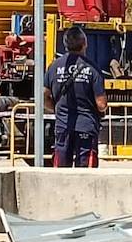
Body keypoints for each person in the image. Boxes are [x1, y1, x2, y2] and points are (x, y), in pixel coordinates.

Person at [43, 27, 107, 168]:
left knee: (61, 172)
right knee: (85, 173)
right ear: (84, 43)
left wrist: (56, 109)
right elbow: (101, 104)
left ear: (65, 45)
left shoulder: (54, 67)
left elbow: (44, 96)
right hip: (86, 127)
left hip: (62, 126)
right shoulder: (93, 69)